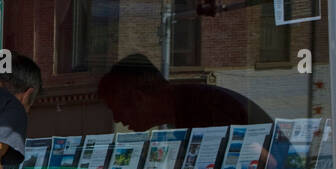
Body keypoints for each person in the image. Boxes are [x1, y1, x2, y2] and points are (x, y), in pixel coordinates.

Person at [98, 53, 270, 131]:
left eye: (117, 109)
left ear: (138, 98)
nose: (117, 119)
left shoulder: (200, 108)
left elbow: (265, 160)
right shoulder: (184, 111)